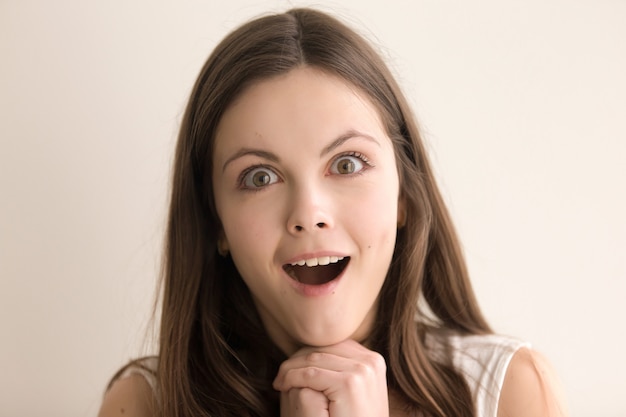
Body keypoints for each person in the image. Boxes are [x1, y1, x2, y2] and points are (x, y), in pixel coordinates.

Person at [98, 7, 567, 417]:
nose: (308, 213)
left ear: (403, 194)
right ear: (215, 221)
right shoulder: (144, 405)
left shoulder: (508, 392)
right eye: (259, 177)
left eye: (346, 164)